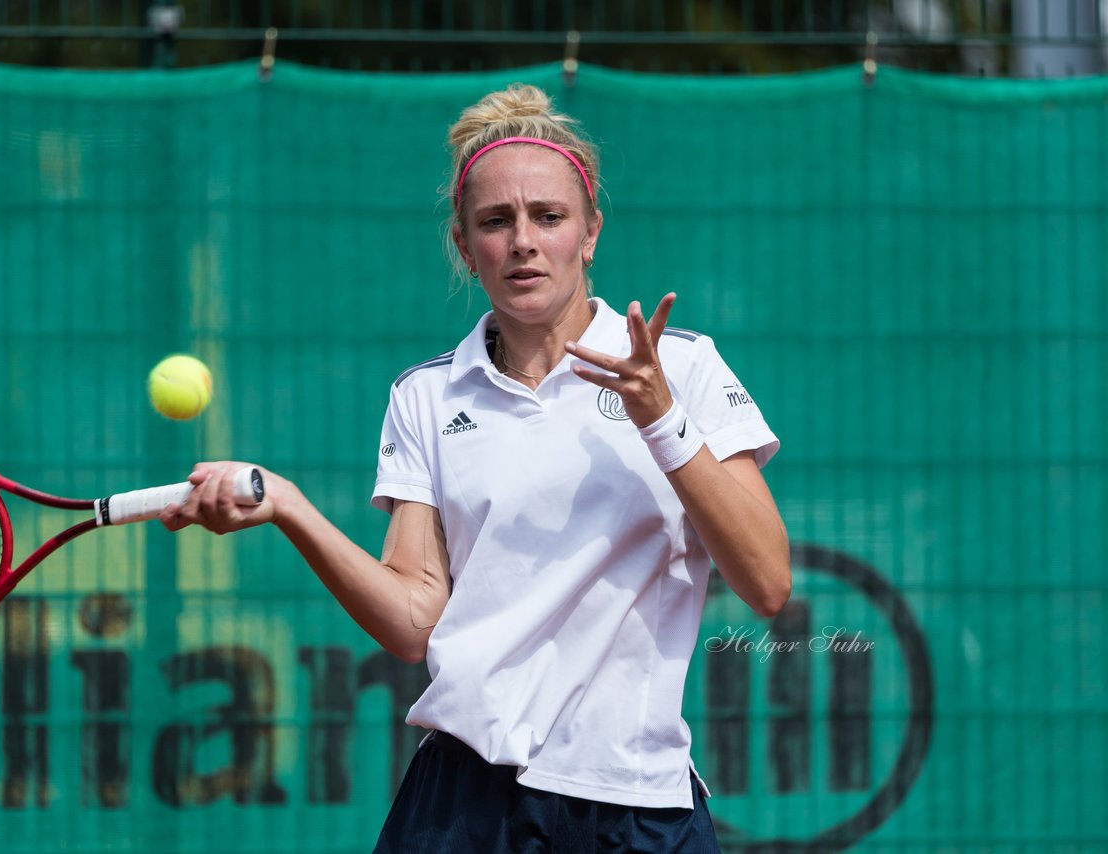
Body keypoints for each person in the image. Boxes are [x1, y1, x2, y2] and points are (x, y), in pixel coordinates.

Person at [162, 83, 790, 853]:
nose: (523, 241)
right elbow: (415, 622)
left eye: (548, 217)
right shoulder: (425, 396)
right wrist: (292, 509)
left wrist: (660, 417)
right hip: (464, 801)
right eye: (496, 222)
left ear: (590, 232)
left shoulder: (681, 368)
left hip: (633, 801)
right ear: (466, 245)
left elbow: (766, 582)